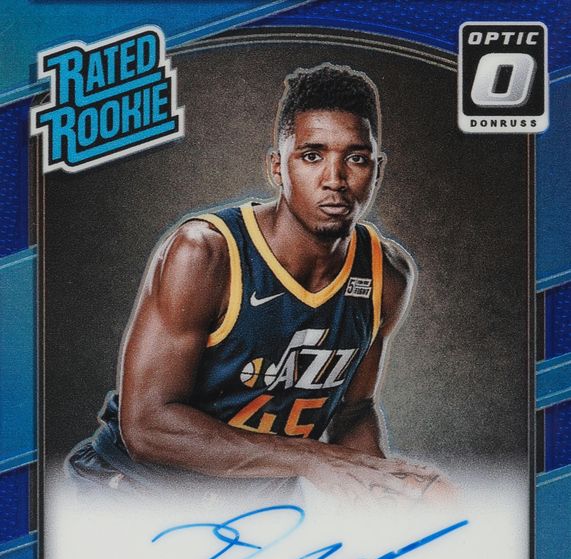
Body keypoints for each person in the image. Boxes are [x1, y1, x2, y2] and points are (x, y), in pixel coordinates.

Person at [66, 63, 445, 505]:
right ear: (277, 167)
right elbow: (147, 426)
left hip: (257, 503)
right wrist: (311, 458)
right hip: (136, 488)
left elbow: (352, 411)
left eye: (356, 159)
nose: (334, 180)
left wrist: (383, 485)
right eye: (312, 156)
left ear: (377, 171)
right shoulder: (206, 252)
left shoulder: (386, 274)